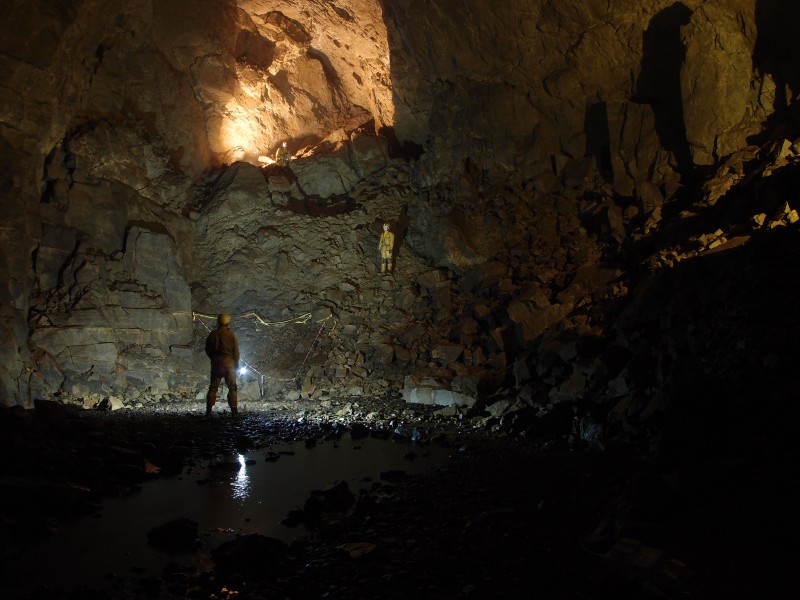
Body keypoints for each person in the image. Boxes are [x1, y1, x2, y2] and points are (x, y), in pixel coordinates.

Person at [205, 313, 240, 416]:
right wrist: (236, 363)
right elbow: (236, 352)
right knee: (232, 387)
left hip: (217, 364)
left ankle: (208, 411)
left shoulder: (213, 334)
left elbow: (207, 349)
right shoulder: (231, 335)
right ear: (228, 323)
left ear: (218, 322)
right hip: (229, 364)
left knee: (213, 388)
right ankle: (234, 411)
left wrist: (213, 358)